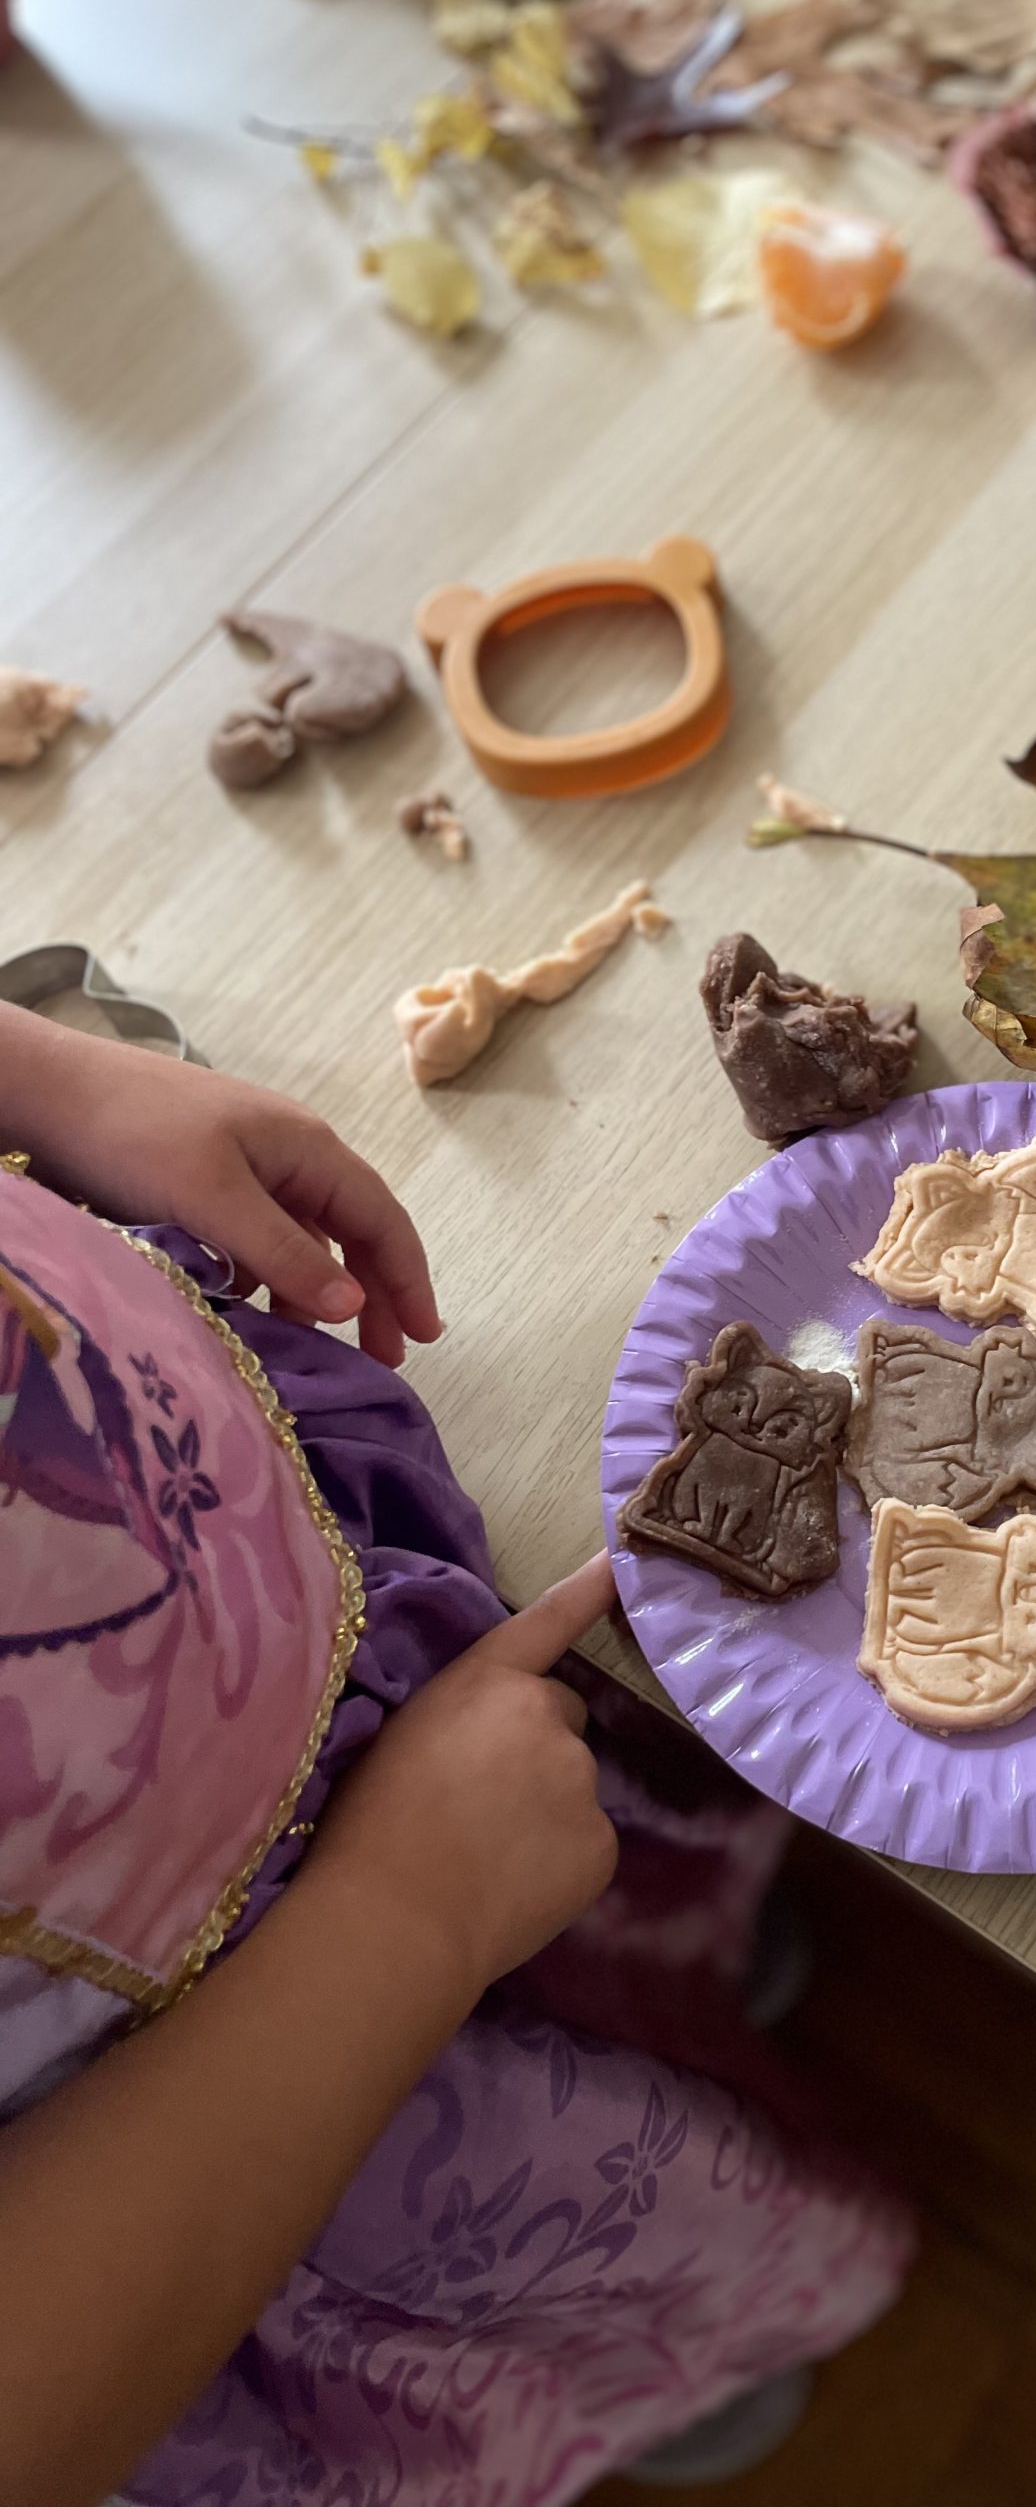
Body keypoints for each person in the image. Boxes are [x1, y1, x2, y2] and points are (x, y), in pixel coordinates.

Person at [0, 1001, 910, 2507]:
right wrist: (405, 1917)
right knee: (595, 2215)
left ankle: (664, 1964)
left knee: (578, 1813)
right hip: (231, 2118)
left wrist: (46, 1080)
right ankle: (653, 2358)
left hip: (264, 1538)